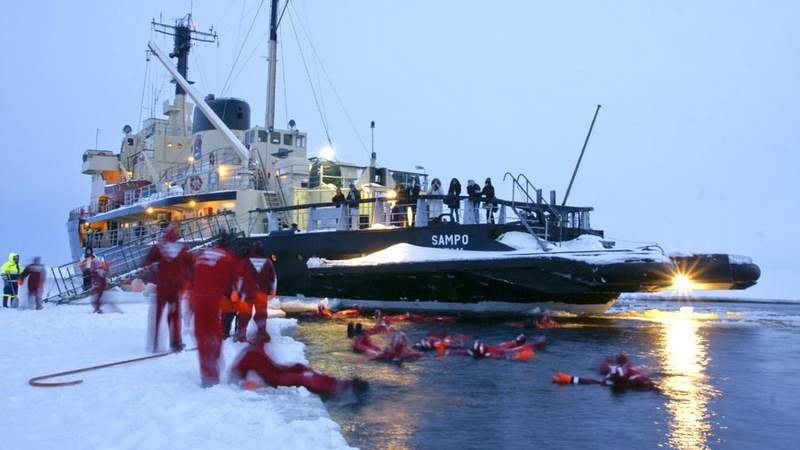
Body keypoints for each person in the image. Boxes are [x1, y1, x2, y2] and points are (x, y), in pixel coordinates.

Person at [229, 337, 368, 397]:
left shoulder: (254, 353)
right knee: (304, 376)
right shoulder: (253, 355)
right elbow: (273, 373)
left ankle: (342, 385)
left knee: (303, 371)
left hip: (277, 374)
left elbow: (274, 368)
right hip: (277, 377)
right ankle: (340, 386)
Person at [190, 239, 239, 387]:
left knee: (201, 335)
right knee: (215, 334)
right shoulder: (227, 257)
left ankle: (206, 375)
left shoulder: (200, 255)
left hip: (196, 299)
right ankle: (212, 374)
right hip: (212, 300)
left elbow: (190, 276)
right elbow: (233, 282)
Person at [143, 224, 192, 352]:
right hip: (175, 290)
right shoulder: (182, 249)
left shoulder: (159, 247)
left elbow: (147, 262)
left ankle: (154, 344)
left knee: (157, 317)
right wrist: (189, 279)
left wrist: (150, 270)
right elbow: (192, 265)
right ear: (176, 235)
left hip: (162, 288)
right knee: (175, 317)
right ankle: (175, 343)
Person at [235, 242, 276, 342]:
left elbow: (239, 277)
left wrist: (237, 291)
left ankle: (241, 336)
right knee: (261, 314)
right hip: (261, 294)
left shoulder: (245, 261)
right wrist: (273, 291)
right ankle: (261, 333)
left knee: (244, 314)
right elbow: (273, 279)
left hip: (247, 293)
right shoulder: (268, 261)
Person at [551, 353, 655, 389]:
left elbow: (647, 382)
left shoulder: (634, 377)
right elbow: (591, 381)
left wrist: (568, 379)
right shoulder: (611, 377)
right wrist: (569, 379)